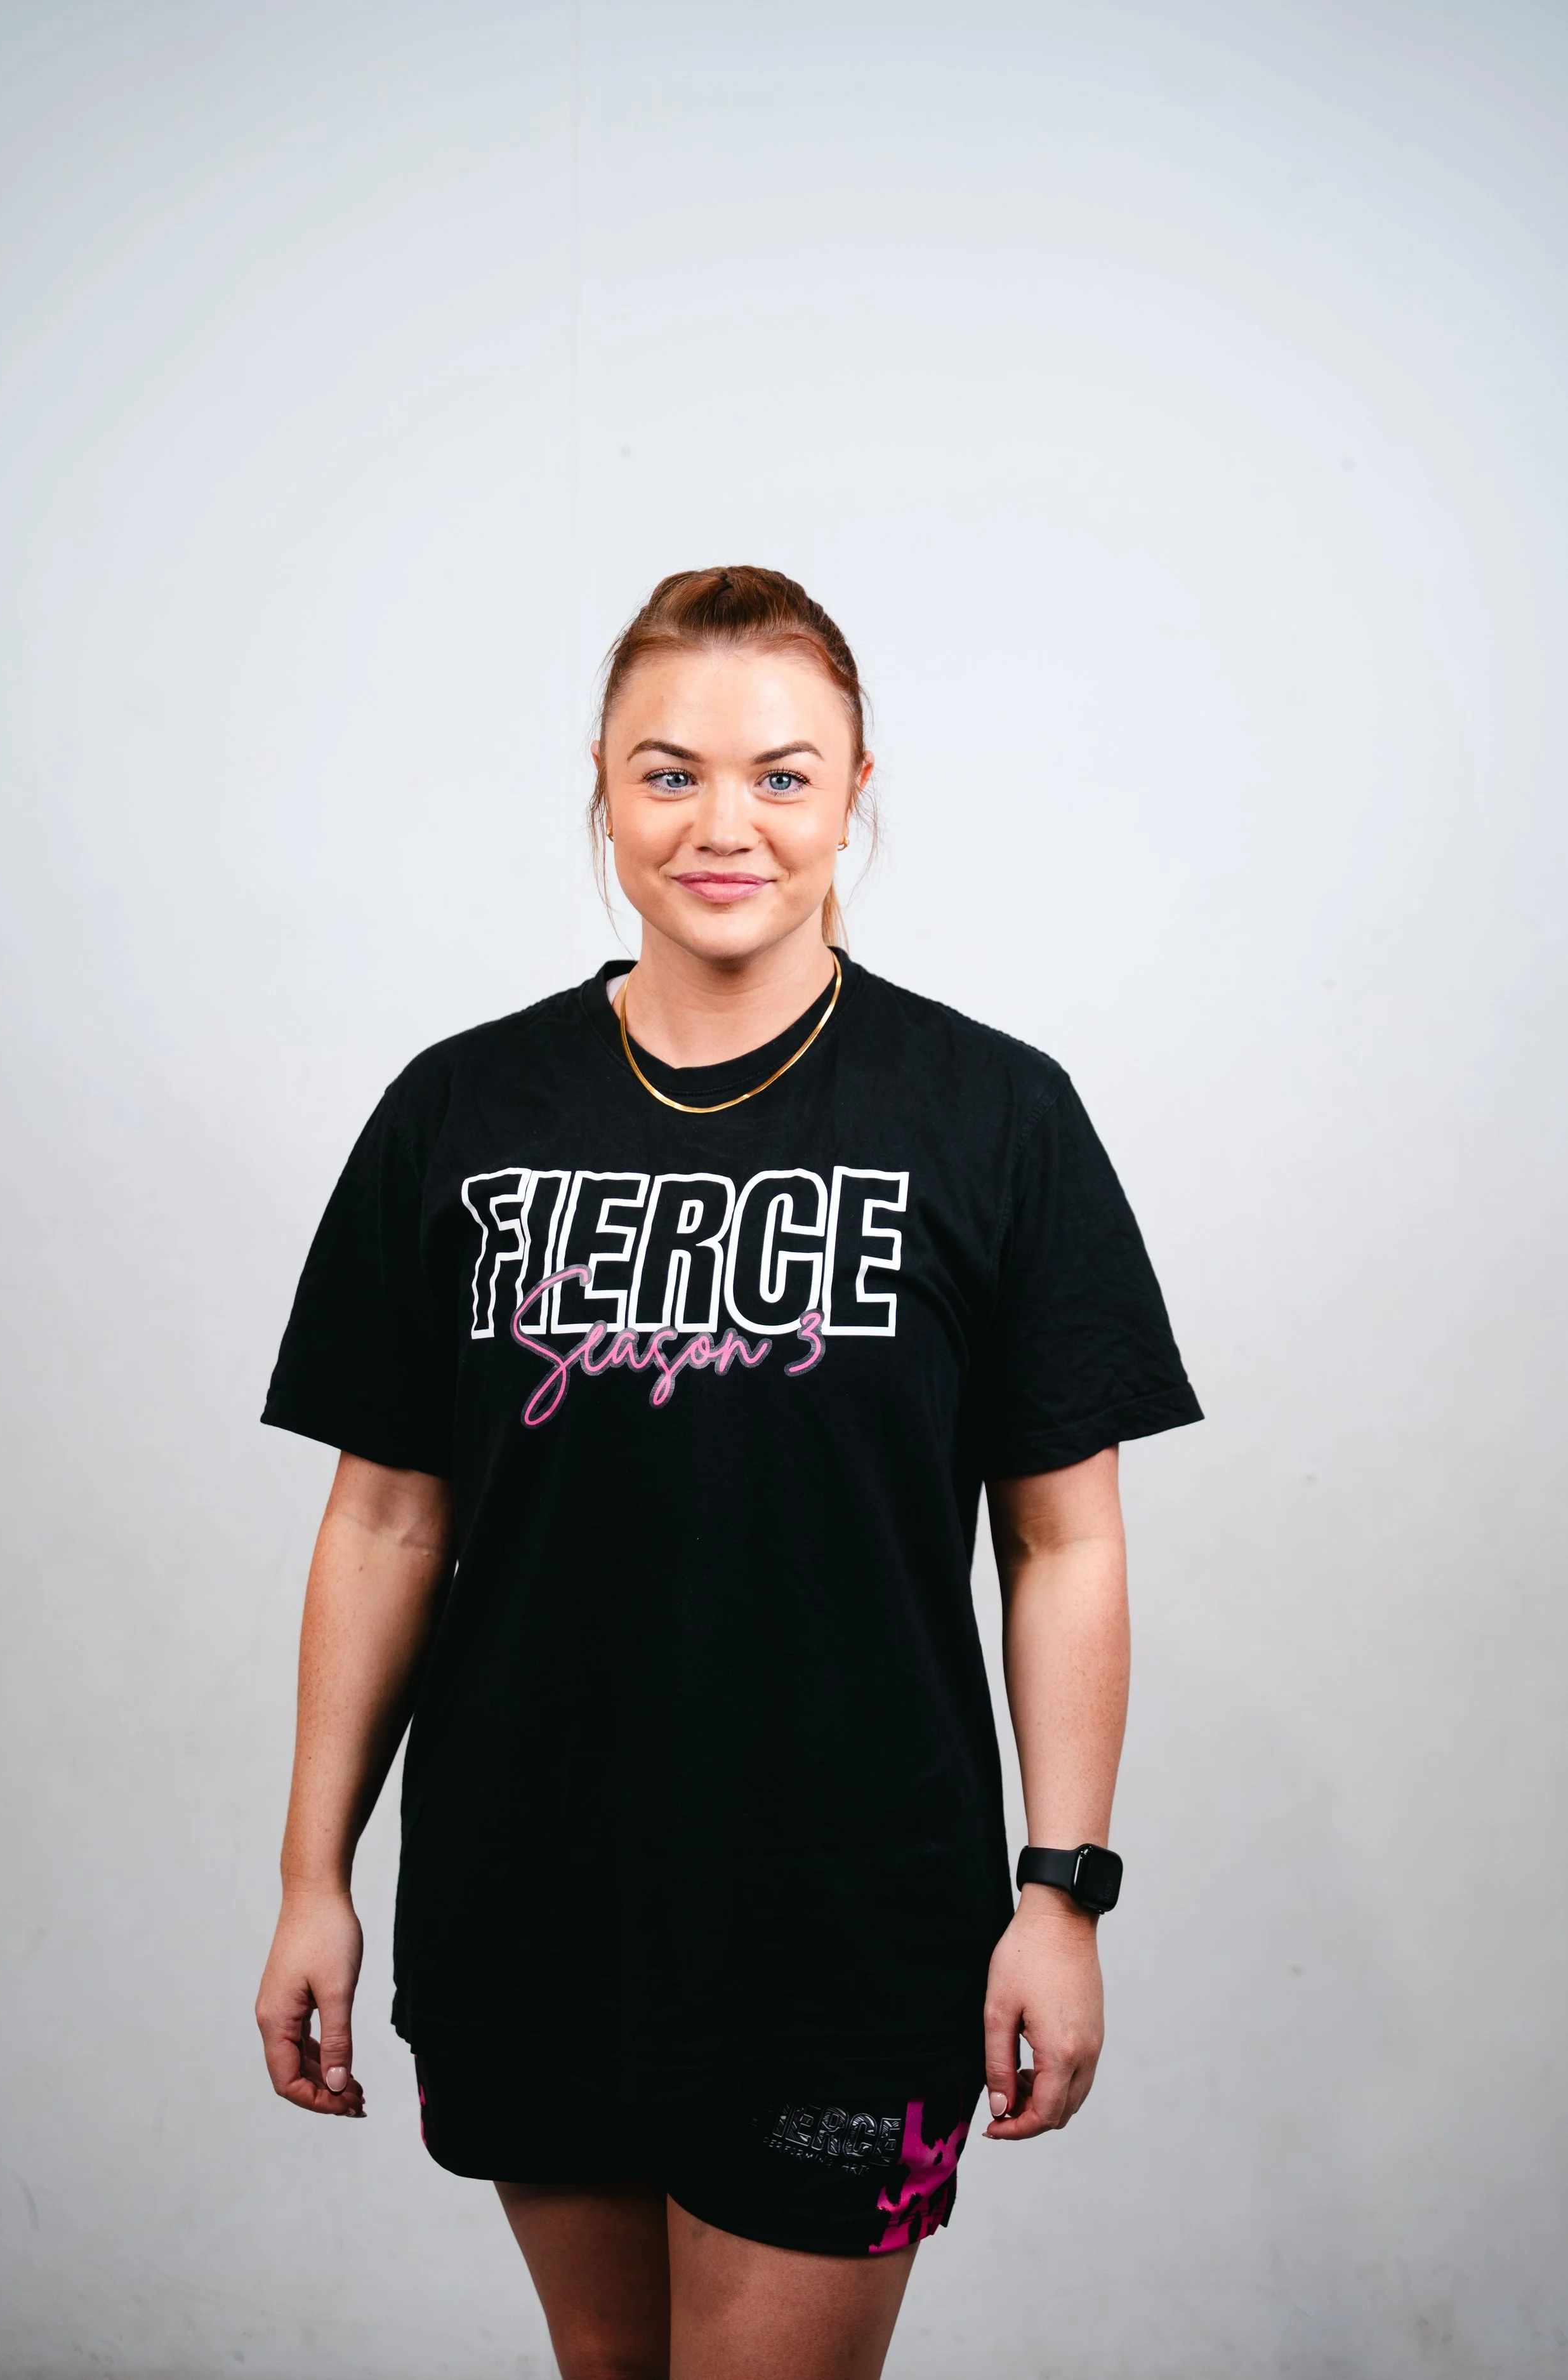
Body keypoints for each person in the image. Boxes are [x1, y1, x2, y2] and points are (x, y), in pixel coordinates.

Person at [254, 565, 1201, 2380]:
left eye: (781, 773)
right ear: (601, 796)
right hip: (531, 1897)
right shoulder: (461, 1112)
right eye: (667, 771)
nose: (724, 823)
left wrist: (1057, 1887)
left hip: (850, 1921)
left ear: (856, 794)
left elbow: (1064, 1541)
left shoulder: (990, 1115)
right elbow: (384, 1515)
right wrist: (314, 1872)